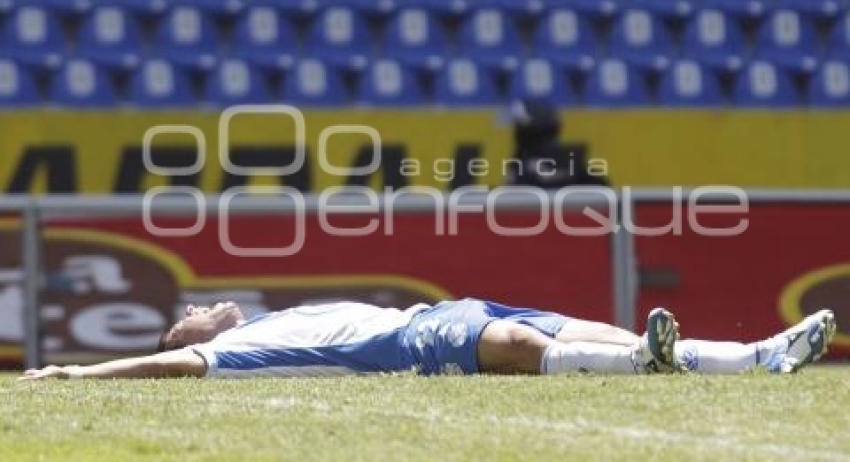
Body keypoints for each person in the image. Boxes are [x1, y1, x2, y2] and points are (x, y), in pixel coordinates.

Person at [19, 298, 835, 380]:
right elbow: (173, 364)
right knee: (516, 345)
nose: (210, 305)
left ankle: (759, 356)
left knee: (610, 338)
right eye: (195, 309)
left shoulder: (265, 316)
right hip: (416, 343)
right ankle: (743, 360)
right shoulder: (238, 353)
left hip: (447, 307)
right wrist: (78, 377)